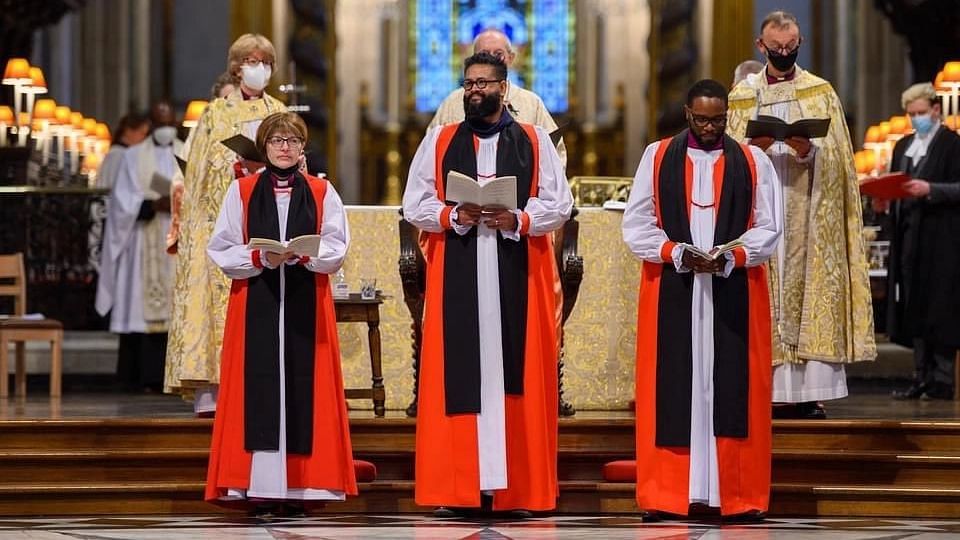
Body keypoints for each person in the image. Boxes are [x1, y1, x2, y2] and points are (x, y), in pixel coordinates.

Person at [403, 51, 573, 516]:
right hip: (459, 263)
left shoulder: (535, 141)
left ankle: (516, 488)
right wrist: (451, 214)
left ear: (503, 87)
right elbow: (414, 202)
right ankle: (458, 488)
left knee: (513, 372)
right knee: (460, 373)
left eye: (484, 83)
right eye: (469, 83)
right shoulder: (439, 141)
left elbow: (559, 204)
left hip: (515, 266)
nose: (475, 89)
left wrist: (517, 217)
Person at [623, 79, 782, 521]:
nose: (710, 127)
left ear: (727, 113)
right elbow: (637, 224)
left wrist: (732, 255)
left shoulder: (753, 161)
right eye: (701, 119)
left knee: (732, 387)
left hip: (733, 288)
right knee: (676, 385)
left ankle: (736, 494)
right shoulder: (657, 157)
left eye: (718, 119)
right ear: (686, 112)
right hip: (675, 289)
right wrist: (675, 252)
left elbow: (769, 226)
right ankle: (668, 493)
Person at [204, 112, 356, 517]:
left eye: (292, 140)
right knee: (259, 387)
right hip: (257, 300)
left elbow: (338, 245)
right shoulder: (242, 191)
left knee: (305, 387)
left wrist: (310, 255)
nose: (284, 147)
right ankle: (258, 485)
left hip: (307, 300)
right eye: (276, 141)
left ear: (303, 147)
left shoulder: (323, 192)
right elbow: (220, 248)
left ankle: (304, 486)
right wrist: (260, 256)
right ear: (265, 147)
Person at [727, 11, 876, 419]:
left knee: (805, 289)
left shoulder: (820, 92)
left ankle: (809, 391)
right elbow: (725, 159)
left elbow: (842, 164)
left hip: (807, 211)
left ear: (800, 43)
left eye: (791, 48)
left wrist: (809, 152)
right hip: (758, 213)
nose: (783, 54)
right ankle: (759, 389)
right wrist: (750, 149)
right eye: (776, 49)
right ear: (762, 47)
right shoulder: (742, 95)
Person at [165, 33, 286, 415]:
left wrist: (268, 167)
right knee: (215, 306)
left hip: (269, 220)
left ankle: (265, 390)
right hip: (223, 220)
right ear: (236, 68)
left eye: (265, 61)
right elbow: (198, 172)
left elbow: (297, 160)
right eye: (252, 61)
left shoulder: (280, 111)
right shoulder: (215, 113)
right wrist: (236, 167)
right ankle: (213, 394)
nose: (260, 68)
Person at [95, 102, 180, 392]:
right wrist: (150, 204)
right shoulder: (132, 156)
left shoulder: (188, 151)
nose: (166, 129)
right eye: (160, 123)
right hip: (144, 239)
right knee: (139, 310)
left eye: (170, 123)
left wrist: (179, 201)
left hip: (176, 241)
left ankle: (175, 377)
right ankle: (140, 376)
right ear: (151, 126)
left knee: (176, 309)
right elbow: (120, 200)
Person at [882, 83, 960, 401]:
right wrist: (884, 200)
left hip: (943, 240)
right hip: (910, 239)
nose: (916, 119)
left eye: (921, 113)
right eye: (911, 114)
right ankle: (920, 376)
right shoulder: (903, 147)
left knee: (940, 306)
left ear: (935, 110)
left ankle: (942, 379)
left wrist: (931, 189)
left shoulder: (952, 144)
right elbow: (895, 183)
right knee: (913, 302)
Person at [428, 28, 567, 168]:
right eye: (484, 54)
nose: (492, 61)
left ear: (511, 58)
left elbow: (555, 156)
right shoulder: (452, 103)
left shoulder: (531, 103)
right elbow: (430, 153)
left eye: (498, 54)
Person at [95, 113, 150, 191]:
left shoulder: (117, 153)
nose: (144, 139)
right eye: (142, 133)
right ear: (128, 131)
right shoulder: (120, 155)